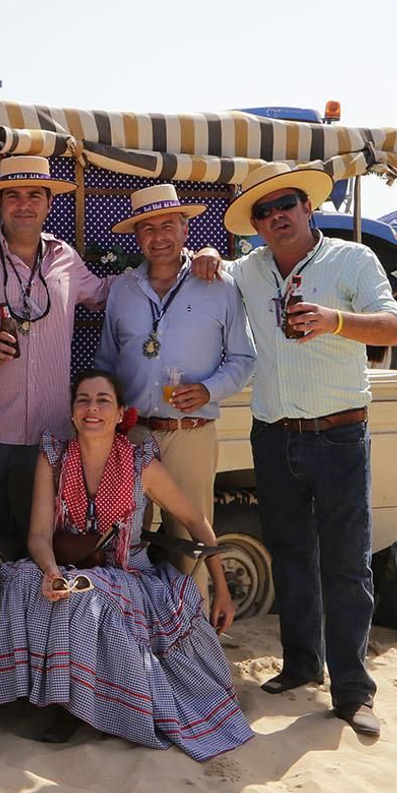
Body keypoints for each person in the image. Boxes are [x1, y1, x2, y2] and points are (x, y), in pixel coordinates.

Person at [206, 160, 397, 740]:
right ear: (256, 225)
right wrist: (208, 260)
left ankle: (352, 691)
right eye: (263, 212)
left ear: (308, 207)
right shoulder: (248, 270)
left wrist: (334, 320)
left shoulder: (353, 259)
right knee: (290, 553)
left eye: (285, 205)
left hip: (339, 432)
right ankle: (300, 665)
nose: (276, 217)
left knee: (346, 562)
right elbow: (215, 272)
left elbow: (394, 329)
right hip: (273, 434)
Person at [0, 370, 250, 758]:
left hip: (129, 575)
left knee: (87, 599)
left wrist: (221, 589)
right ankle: (39, 695)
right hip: (67, 565)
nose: (92, 409)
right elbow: (39, 536)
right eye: (83, 401)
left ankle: (77, 707)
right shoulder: (55, 458)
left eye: (103, 400)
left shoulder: (141, 464)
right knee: (20, 579)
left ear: (120, 412)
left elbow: (195, 521)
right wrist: (50, 570)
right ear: (73, 413)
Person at [0, 155, 107, 562]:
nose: (23, 205)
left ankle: (28, 627)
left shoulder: (65, 257)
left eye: (34, 195)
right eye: (13, 195)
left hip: (50, 437)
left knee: (40, 552)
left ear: (48, 204)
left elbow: (104, 296)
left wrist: (184, 263)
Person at [95, 184, 254, 561]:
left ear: (186, 230)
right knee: (123, 543)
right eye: (147, 228)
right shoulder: (122, 289)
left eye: (168, 225)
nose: (159, 237)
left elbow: (244, 358)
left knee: (191, 546)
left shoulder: (220, 285)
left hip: (190, 434)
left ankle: (194, 620)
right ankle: (134, 620)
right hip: (130, 435)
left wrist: (208, 390)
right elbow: (106, 361)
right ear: (137, 237)